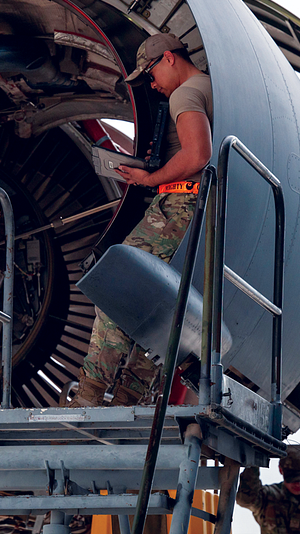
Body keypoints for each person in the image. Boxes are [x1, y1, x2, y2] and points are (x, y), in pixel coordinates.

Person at [71, 32, 213, 407]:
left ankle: (87, 396)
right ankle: (127, 398)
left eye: (150, 73)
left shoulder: (186, 93)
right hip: (202, 213)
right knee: (164, 312)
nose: (152, 84)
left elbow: (198, 155)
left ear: (169, 58)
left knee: (115, 289)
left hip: (179, 207)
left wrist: (151, 178)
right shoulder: (213, 91)